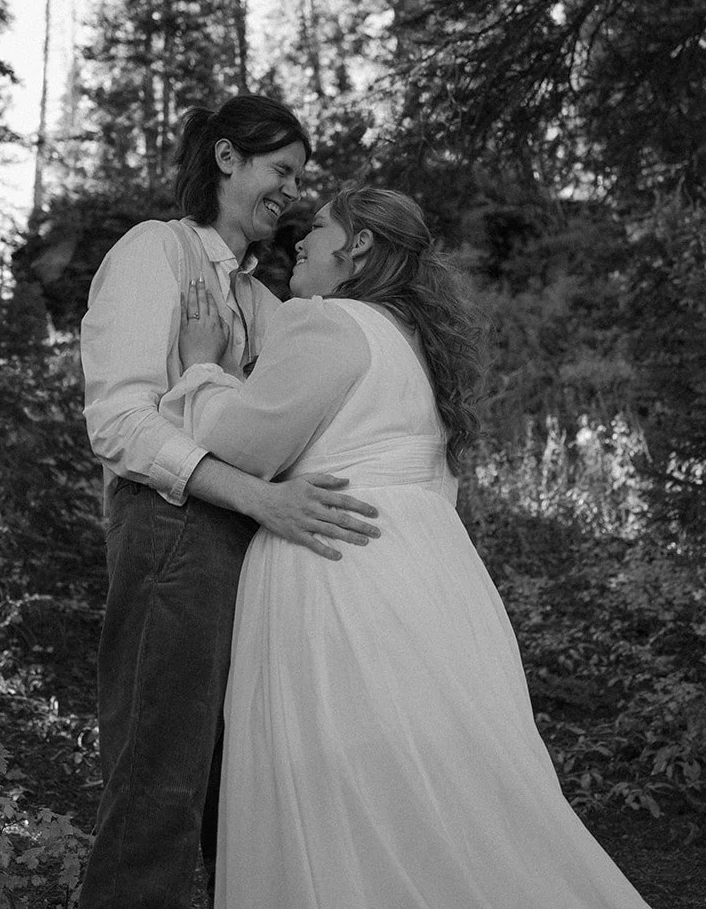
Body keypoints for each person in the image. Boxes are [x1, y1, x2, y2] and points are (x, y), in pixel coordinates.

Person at [161, 186, 655, 908]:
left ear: (357, 246)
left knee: (333, 781)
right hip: (428, 574)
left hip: (335, 566)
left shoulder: (327, 323)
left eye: (320, 227)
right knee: (432, 779)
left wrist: (203, 366)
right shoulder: (413, 343)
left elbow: (241, 444)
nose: (301, 238)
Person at [76, 94, 382, 909]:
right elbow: (117, 422)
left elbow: (330, 373)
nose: (291, 192)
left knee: (236, 783)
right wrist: (258, 495)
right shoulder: (155, 252)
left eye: (299, 177)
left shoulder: (258, 300)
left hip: (246, 545)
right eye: (280, 170)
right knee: (157, 783)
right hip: (167, 534)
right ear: (225, 159)